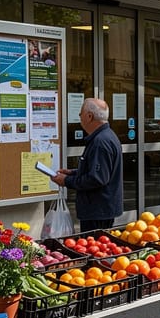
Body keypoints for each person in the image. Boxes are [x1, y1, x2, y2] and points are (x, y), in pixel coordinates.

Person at [51, 97, 123, 231]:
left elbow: (97, 178)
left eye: (80, 113)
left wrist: (67, 181)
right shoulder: (106, 136)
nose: (79, 117)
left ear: (89, 116)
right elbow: (98, 171)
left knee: (94, 247)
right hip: (100, 209)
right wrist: (73, 173)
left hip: (97, 211)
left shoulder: (100, 142)